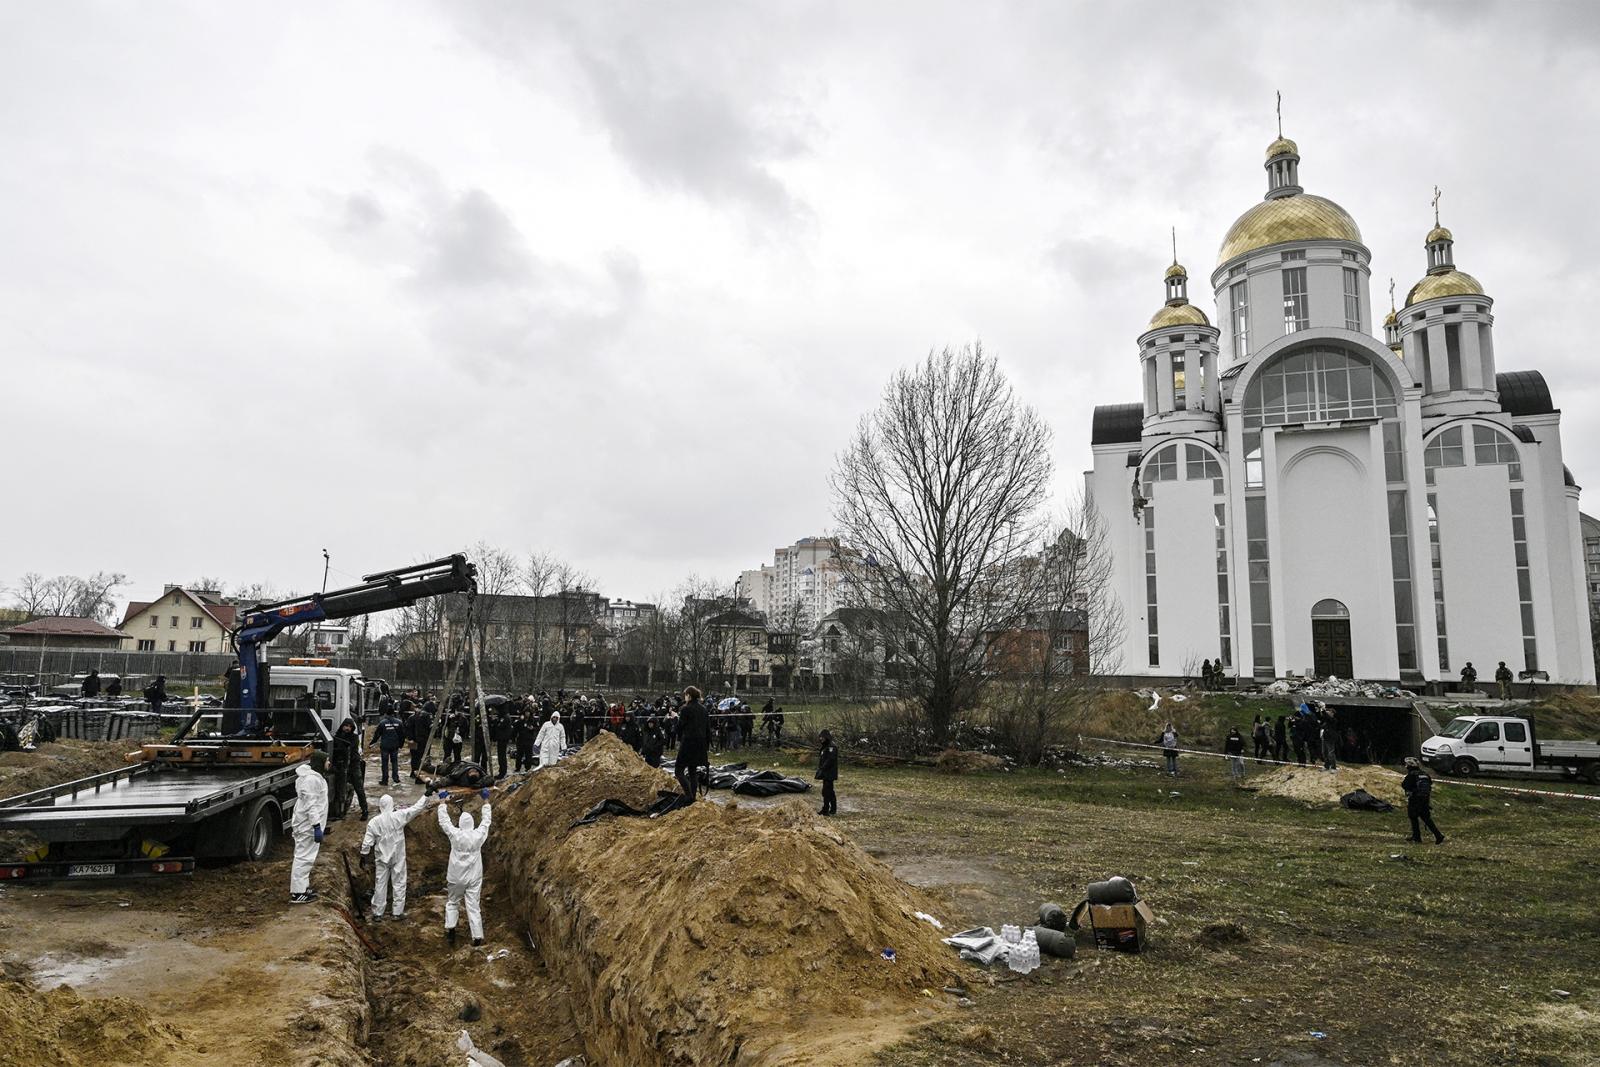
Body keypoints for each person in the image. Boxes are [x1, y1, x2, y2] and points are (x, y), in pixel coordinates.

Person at [360, 792, 432, 921]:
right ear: (392, 804)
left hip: (382, 858)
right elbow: (415, 808)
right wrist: (427, 794)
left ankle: (377, 913)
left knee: (380, 884)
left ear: (380, 806)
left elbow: (367, 842)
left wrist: (363, 855)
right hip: (397, 857)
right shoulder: (399, 816)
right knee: (399, 883)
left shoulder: (374, 822)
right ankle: (397, 912)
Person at [437, 789, 492, 946]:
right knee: (474, 906)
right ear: (472, 824)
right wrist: (486, 801)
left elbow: (444, 822)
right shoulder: (478, 835)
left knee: (453, 902)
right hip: (474, 876)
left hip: (456, 876)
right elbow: (486, 821)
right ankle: (477, 937)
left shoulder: (455, 835)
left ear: (460, 824)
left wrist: (442, 803)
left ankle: (451, 931)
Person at [289, 751, 330, 904]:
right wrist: (316, 826)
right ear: (320, 762)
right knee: (303, 858)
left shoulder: (312, 778)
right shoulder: (311, 780)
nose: (329, 763)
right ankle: (298, 893)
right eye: (327, 760)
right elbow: (311, 805)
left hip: (307, 825)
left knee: (306, 857)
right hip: (307, 826)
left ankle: (303, 888)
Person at [675, 686, 711, 802]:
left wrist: (675, 718)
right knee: (692, 770)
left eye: (685, 695)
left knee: (678, 770)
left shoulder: (685, 709)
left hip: (688, 743)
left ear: (689, 695)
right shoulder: (704, 709)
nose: (684, 697)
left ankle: (689, 795)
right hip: (700, 744)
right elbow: (707, 729)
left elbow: (680, 727)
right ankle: (693, 797)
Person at [1402, 757, 1445, 844]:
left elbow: (1405, 785)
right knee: (1426, 818)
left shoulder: (1411, 775)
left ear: (1409, 766)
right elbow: (1430, 783)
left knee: (1413, 817)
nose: (1405, 766)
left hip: (1415, 799)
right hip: (1425, 799)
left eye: (1406, 765)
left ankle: (1417, 838)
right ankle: (1438, 835)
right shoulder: (1425, 774)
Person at [329, 720, 363, 820]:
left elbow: (351, 748)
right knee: (339, 789)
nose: (347, 728)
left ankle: (364, 810)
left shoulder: (354, 737)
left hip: (353, 765)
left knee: (359, 787)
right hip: (341, 765)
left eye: (349, 727)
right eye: (346, 726)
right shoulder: (337, 736)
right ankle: (339, 811)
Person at [371, 705, 407, 786]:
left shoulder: (382, 723)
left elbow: (377, 734)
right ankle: (396, 779)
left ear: (386, 713)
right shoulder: (399, 722)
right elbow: (402, 735)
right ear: (394, 713)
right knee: (394, 762)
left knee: (385, 763)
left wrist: (372, 743)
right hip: (395, 746)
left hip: (385, 746)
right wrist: (401, 745)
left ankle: (385, 780)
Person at [405, 699, 432, 781]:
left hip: (413, 741)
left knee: (414, 757)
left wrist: (410, 739)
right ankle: (419, 774)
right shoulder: (426, 717)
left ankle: (413, 772)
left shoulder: (411, 717)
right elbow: (430, 728)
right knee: (421, 757)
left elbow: (407, 729)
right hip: (423, 740)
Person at [815, 729, 839, 815]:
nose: (821, 739)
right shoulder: (825, 746)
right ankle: (833, 809)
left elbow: (830, 760)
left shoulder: (831, 747)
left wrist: (822, 768)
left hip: (829, 773)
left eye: (822, 737)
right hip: (826, 773)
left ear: (826, 737)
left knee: (826, 791)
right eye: (820, 737)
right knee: (829, 791)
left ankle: (826, 809)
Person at [489, 706, 514, 779]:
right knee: (501, 756)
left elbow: (499, 726)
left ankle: (503, 772)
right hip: (501, 738)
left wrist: (495, 721)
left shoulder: (505, 718)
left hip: (502, 739)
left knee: (502, 756)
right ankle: (502, 771)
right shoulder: (504, 717)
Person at [1320, 705, 1339, 772]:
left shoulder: (1334, 720)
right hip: (1324, 738)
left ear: (1332, 713)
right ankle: (1326, 766)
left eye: (1329, 712)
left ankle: (1333, 767)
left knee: (1331, 753)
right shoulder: (1326, 721)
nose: (1327, 712)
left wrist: (1323, 709)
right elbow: (1324, 717)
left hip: (1330, 739)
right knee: (1324, 753)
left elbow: (1328, 718)